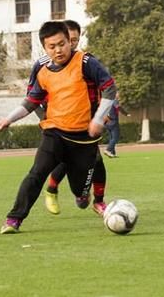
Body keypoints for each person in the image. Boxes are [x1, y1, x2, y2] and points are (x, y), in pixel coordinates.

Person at [0, 21, 116, 234]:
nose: (58, 50)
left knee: (80, 194)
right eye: (52, 46)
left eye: (62, 44)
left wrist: (98, 119)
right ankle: (14, 219)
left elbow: (109, 88)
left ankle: (85, 195)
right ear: (45, 47)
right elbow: (32, 101)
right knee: (37, 173)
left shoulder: (86, 62)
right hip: (55, 132)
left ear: (70, 42)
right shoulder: (43, 70)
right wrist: (9, 119)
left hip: (84, 138)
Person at [41, 20, 109, 216]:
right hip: (60, 121)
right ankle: (53, 189)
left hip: (88, 120)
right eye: (67, 40)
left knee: (95, 159)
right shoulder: (45, 66)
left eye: (75, 40)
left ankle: (97, 200)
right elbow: (35, 96)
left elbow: (106, 87)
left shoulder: (87, 61)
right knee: (65, 157)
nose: (71, 45)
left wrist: (101, 115)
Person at [103, 92, 130, 158]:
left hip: (107, 122)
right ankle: (108, 150)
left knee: (111, 138)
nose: (119, 94)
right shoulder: (114, 101)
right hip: (113, 122)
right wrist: (126, 114)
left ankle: (112, 153)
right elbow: (119, 108)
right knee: (115, 137)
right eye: (117, 93)